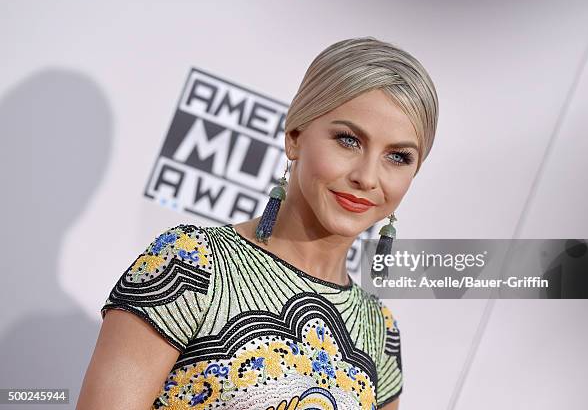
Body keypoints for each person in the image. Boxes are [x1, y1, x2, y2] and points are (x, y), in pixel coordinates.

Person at [77, 36, 439, 410]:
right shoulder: (191, 264)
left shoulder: (380, 331)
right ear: (295, 136)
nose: (367, 176)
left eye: (398, 157)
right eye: (348, 140)